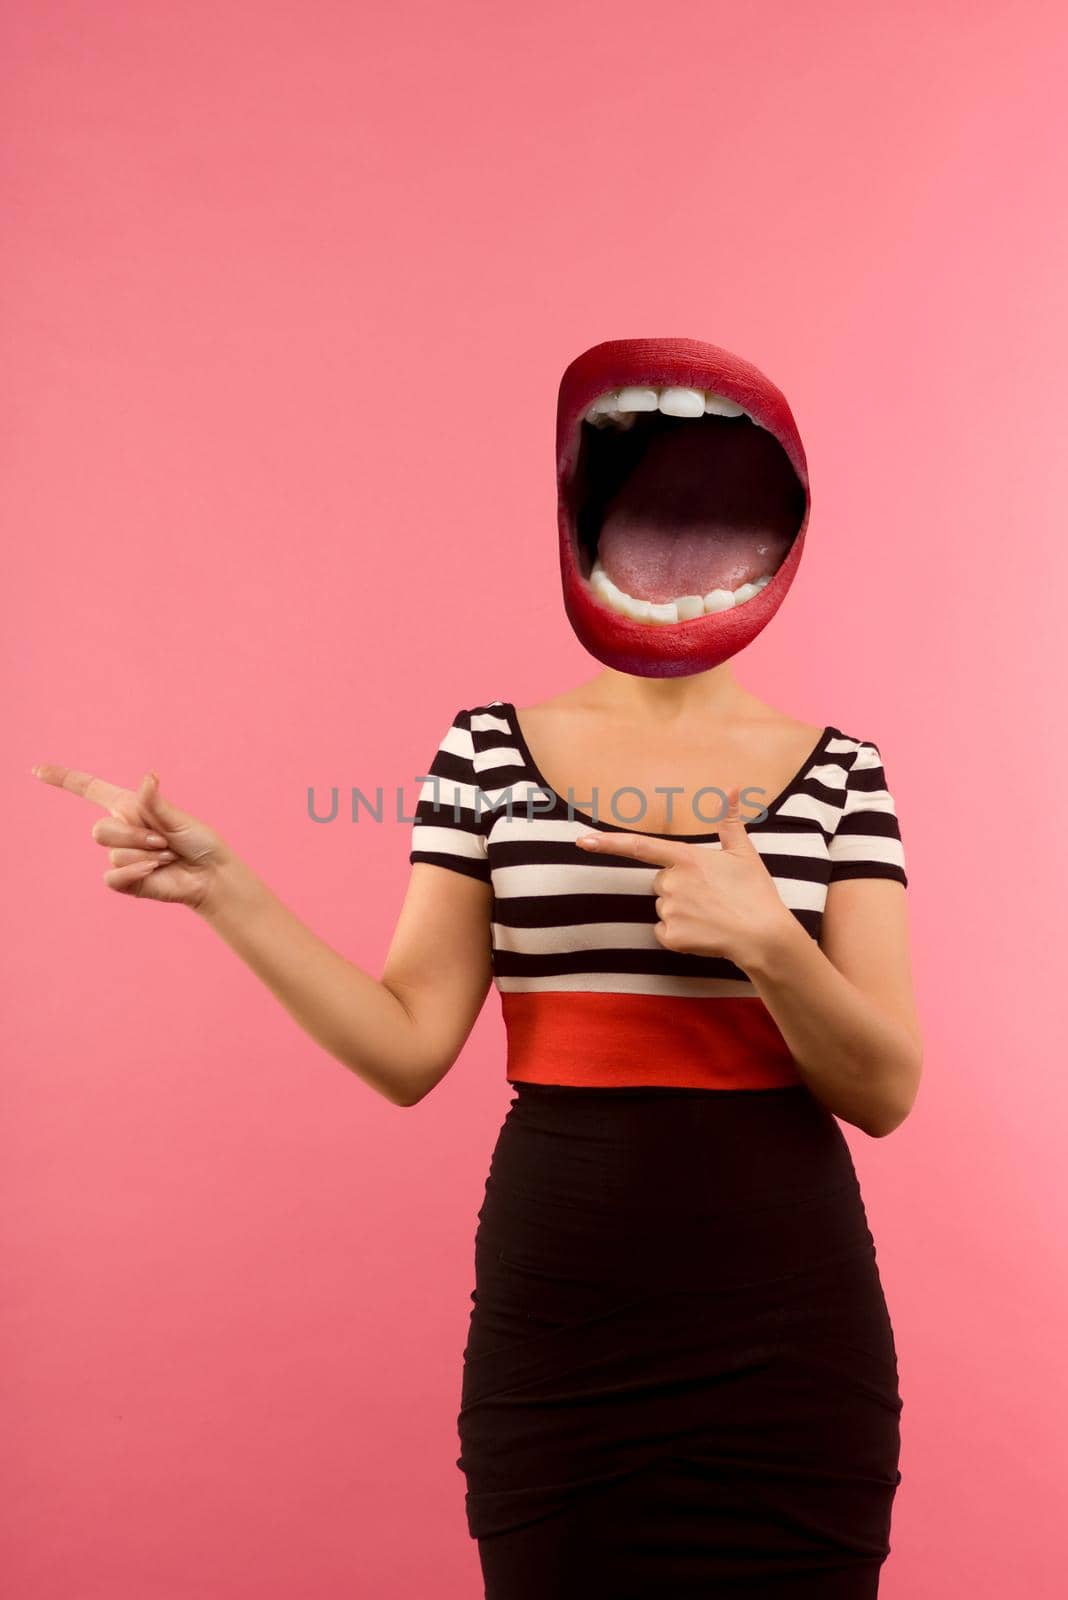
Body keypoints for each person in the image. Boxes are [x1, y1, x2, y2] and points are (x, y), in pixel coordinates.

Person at [32, 337, 922, 1597]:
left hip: (792, 1332)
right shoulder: (485, 752)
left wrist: (769, 940)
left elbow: (886, 1090)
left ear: (784, 534)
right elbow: (407, 1048)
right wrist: (225, 890)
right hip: (564, 1329)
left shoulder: (845, 772)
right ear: (585, 519)